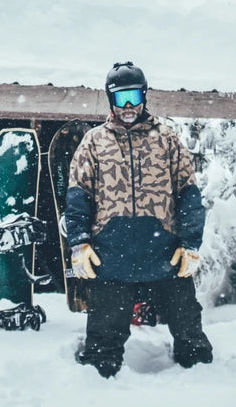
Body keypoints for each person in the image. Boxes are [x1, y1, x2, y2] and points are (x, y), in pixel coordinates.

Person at [64, 61, 213, 378]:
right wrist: (79, 243)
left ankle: (205, 385)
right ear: (111, 100)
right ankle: (94, 393)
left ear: (144, 95)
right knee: (102, 348)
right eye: (121, 98)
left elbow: (189, 194)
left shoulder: (168, 139)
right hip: (111, 256)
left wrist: (191, 244)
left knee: (190, 334)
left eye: (134, 96)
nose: (129, 105)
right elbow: (78, 197)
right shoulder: (94, 141)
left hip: (165, 254)